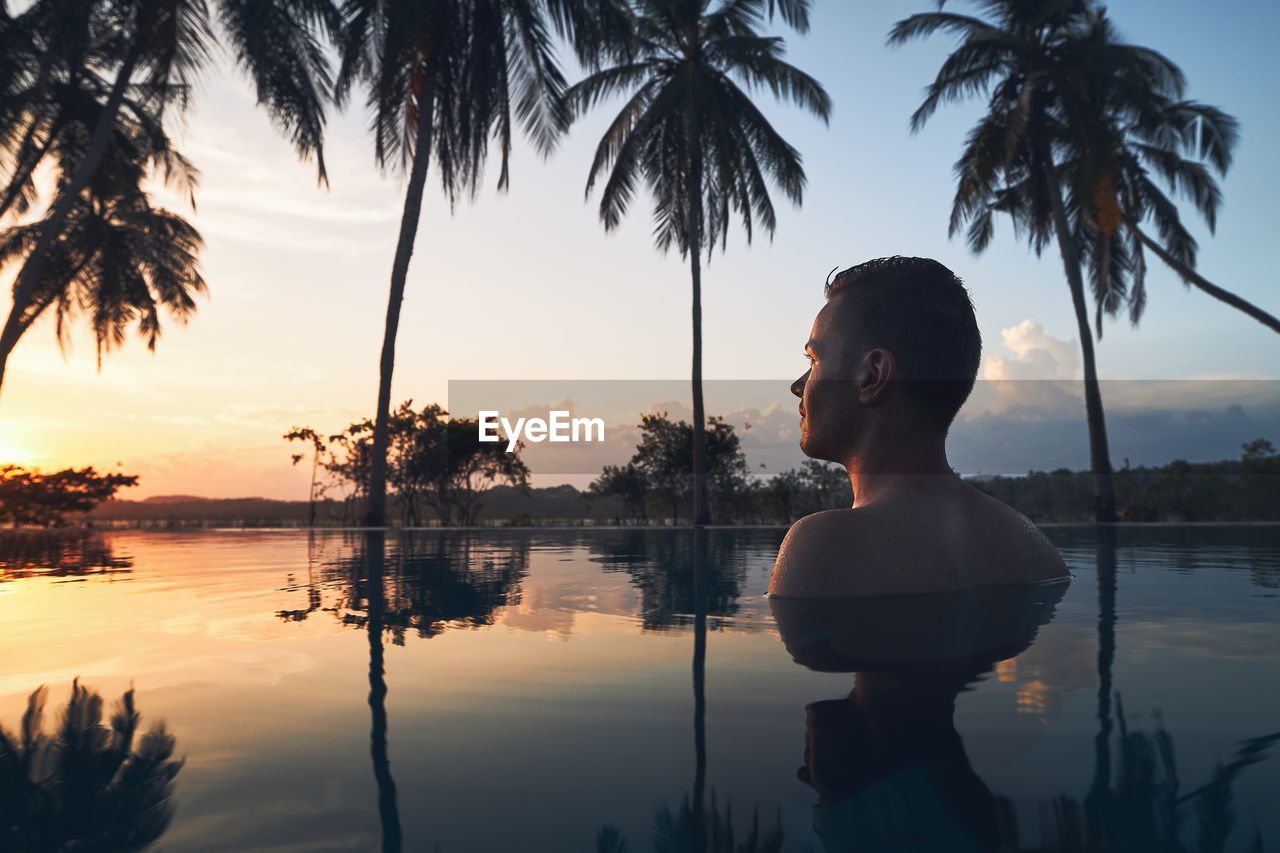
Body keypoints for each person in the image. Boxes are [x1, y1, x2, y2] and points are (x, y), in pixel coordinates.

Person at [769, 256, 1068, 598]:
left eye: (814, 360)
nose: (798, 384)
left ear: (872, 376)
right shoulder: (1033, 546)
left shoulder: (826, 545)